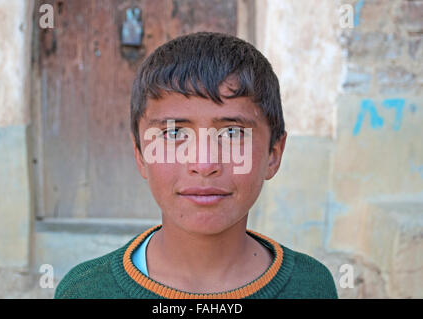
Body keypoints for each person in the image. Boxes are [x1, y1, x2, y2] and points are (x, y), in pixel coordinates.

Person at [54, 32, 338, 299]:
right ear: (141, 154)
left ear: (273, 154)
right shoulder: (86, 290)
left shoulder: (311, 285)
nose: (204, 164)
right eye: (174, 133)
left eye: (233, 133)